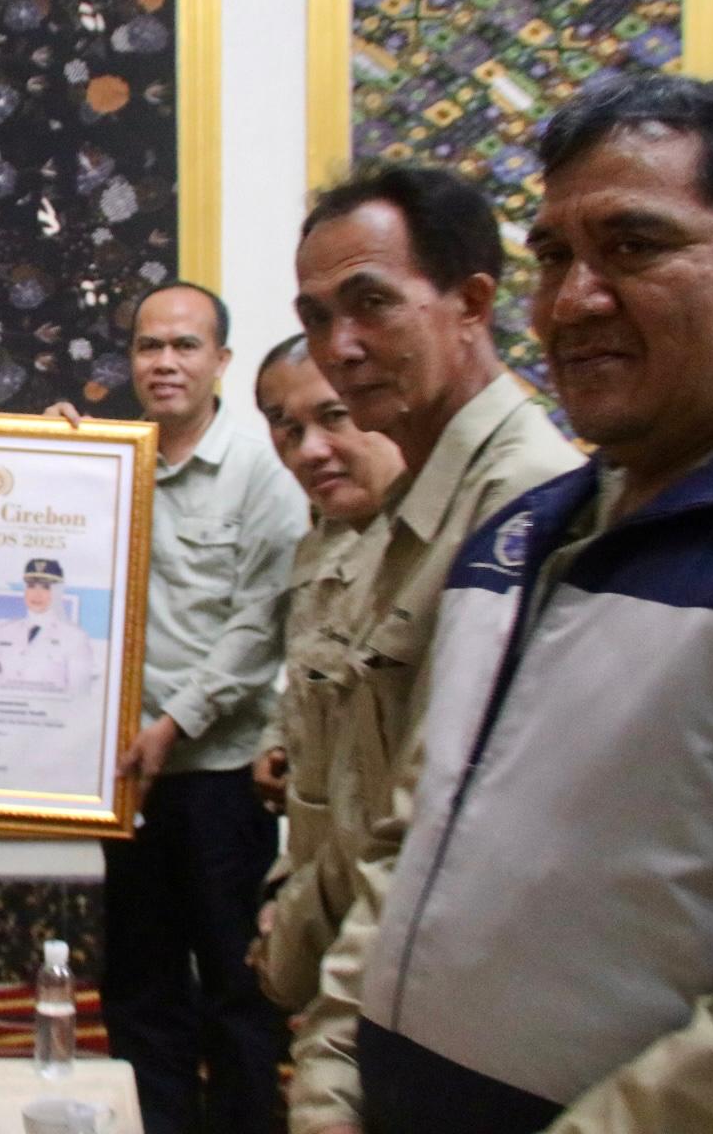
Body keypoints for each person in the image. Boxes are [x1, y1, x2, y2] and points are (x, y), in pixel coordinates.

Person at [291, 69, 713, 1134]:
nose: (573, 302)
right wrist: (331, 1085)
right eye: (556, 256)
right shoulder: (521, 539)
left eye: (636, 247)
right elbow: (403, 849)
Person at [281, 164, 580, 1010]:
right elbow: (347, 784)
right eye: (316, 318)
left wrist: (305, 957)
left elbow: (438, 832)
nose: (339, 348)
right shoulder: (409, 507)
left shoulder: (524, 503)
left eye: (372, 303)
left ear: (473, 304)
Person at [53, 280, 309, 1132]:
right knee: (140, 983)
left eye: (184, 345)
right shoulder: (107, 462)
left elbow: (260, 624)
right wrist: (43, 457)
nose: (164, 362)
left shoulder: (262, 474)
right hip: (128, 777)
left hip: (219, 775)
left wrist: (175, 722)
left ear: (220, 360)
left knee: (238, 985)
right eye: (148, 346)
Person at [245, 336, 404, 1015]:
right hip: (319, 877)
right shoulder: (323, 540)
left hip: (384, 902)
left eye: (334, 416)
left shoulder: (428, 554)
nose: (309, 450)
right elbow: (313, 675)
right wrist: (279, 742)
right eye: (287, 429)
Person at [0, 558, 95, 695]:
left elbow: (79, 695)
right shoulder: (4, 631)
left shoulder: (75, 637)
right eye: (31, 586)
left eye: (46, 587)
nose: (36, 594)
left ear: (58, 592)